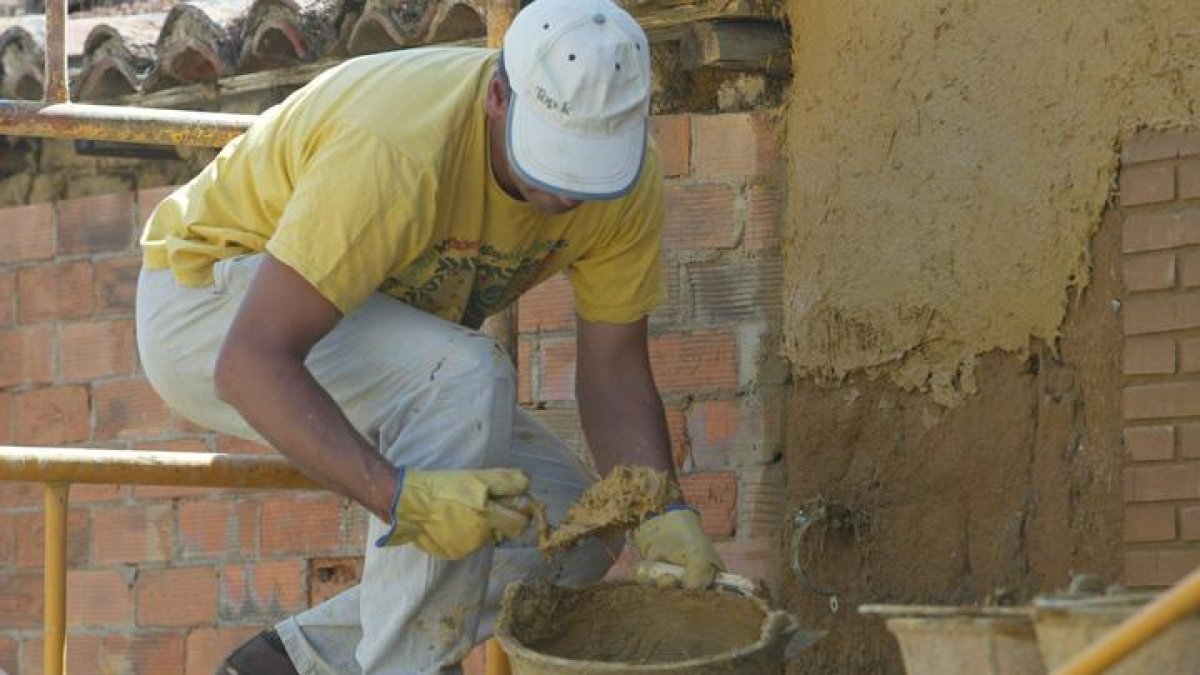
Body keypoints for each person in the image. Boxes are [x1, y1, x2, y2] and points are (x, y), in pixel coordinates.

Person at [135, 0, 725, 672]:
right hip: (212, 304)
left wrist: (658, 508)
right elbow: (251, 362)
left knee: (575, 524)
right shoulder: (399, 145)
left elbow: (615, 372)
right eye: (557, 159)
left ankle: (296, 664)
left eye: (593, 165)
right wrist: (403, 499)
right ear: (498, 95)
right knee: (468, 373)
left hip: (354, 326)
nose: (571, 194)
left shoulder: (625, 185)